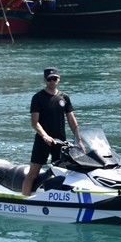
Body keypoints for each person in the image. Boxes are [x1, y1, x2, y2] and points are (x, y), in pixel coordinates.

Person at [21, 67, 82, 195]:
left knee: (63, 172)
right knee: (33, 173)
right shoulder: (38, 98)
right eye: (49, 79)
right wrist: (45, 136)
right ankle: (24, 199)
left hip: (60, 142)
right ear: (45, 80)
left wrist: (79, 140)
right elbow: (34, 122)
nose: (52, 81)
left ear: (58, 79)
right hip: (43, 141)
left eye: (54, 78)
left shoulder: (64, 97)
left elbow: (72, 120)